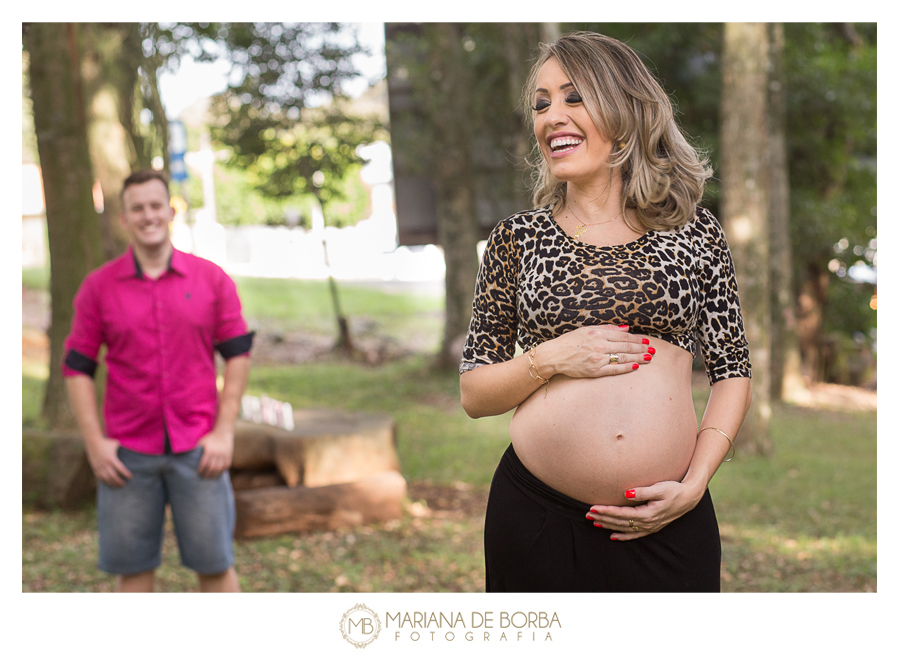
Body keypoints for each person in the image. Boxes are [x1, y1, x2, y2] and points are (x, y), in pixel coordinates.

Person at [460, 32, 752, 592]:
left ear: (623, 110)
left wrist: (694, 484)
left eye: (574, 98)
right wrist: (549, 358)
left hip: (670, 522)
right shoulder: (517, 238)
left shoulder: (692, 232)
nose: (552, 117)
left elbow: (732, 370)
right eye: (541, 103)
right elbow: (475, 394)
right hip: (536, 518)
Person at [63, 170, 254, 592]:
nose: (148, 215)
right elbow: (77, 368)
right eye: (137, 208)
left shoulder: (211, 279)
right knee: (133, 573)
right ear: (124, 218)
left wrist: (224, 432)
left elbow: (238, 353)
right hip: (127, 457)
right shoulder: (98, 288)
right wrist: (95, 445)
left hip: (200, 449)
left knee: (216, 567)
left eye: (155, 206)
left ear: (170, 211)